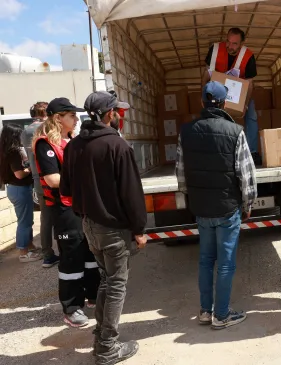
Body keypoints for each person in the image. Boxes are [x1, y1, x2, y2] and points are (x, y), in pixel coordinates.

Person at [60, 91, 145, 364]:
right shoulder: (117, 146)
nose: (118, 115)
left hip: (89, 226)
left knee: (107, 280)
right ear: (110, 114)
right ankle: (108, 347)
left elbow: (66, 188)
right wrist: (139, 230)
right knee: (116, 284)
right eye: (116, 111)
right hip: (113, 229)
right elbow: (132, 194)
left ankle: (101, 338)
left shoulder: (74, 146)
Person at [176, 81, 257, 330]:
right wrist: (248, 202)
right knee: (225, 263)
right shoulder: (235, 131)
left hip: (202, 208)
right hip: (227, 207)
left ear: (202, 102)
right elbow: (246, 173)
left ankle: (205, 311)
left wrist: (191, 196)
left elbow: (180, 173)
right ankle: (221, 315)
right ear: (224, 104)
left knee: (205, 259)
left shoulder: (186, 131)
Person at [32, 98, 100, 327]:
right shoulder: (45, 144)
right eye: (71, 115)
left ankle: (94, 295)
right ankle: (72, 308)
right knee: (71, 257)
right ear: (58, 118)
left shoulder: (71, 140)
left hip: (80, 205)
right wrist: (84, 181)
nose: (76, 118)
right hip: (64, 208)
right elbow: (52, 179)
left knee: (90, 252)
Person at [203, 27, 261, 165]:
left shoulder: (248, 55)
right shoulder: (215, 49)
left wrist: (245, 105)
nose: (230, 46)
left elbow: (250, 83)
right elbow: (205, 74)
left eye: (235, 43)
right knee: (210, 116)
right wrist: (203, 97)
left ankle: (252, 152)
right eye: (228, 42)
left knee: (251, 115)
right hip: (216, 91)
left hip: (239, 93)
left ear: (241, 44)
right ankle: (214, 151)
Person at [23, 101, 59, 268]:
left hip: (38, 180)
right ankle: (66, 250)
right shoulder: (47, 128)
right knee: (61, 215)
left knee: (45, 218)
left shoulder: (25, 131)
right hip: (53, 176)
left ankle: (47, 254)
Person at [0, 124, 40, 263]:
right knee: (24, 221)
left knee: (26, 220)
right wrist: (31, 169)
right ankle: (23, 252)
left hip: (14, 189)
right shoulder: (14, 152)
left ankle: (30, 246)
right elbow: (19, 174)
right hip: (20, 189)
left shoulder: (5, 152)